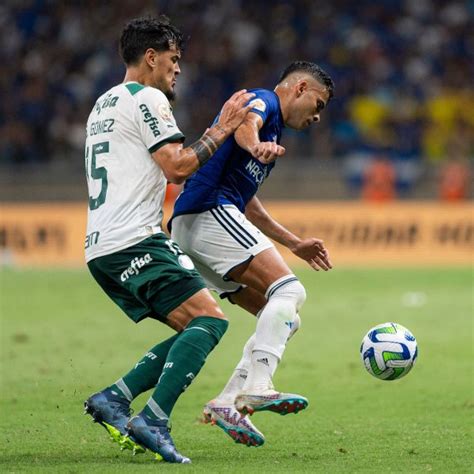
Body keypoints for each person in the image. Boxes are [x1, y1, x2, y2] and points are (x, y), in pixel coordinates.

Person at [83, 16, 254, 464]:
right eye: (174, 60)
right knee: (211, 322)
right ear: (151, 57)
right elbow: (177, 166)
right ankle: (153, 419)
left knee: (191, 328)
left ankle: (114, 399)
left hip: (103, 246)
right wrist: (224, 127)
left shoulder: (103, 104)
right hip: (132, 241)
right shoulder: (147, 98)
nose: (178, 70)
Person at [169, 61, 334, 447]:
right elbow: (246, 122)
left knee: (283, 318)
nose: (317, 117)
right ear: (300, 87)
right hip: (207, 210)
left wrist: (293, 243)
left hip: (200, 224)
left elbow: (247, 202)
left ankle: (227, 402)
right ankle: (260, 384)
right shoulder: (265, 103)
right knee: (291, 292)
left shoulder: (271, 132)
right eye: (318, 104)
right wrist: (255, 144)